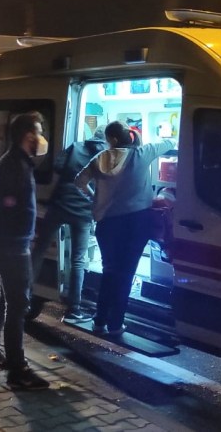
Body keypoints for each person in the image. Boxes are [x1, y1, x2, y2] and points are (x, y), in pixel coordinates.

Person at [74, 120, 175, 336]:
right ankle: (116, 325)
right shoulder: (141, 153)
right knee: (126, 274)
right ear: (127, 135)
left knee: (109, 271)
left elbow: (79, 181)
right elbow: (169, 143)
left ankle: (99, 321)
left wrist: (94, 198)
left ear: (110, 139)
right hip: (136, 223)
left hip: (107, 224)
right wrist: (140, 140)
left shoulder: (99, 158)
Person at [0, 111, 51, 390]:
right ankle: (18, 370)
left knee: (10, 298)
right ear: (28, 135)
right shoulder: (13, 165)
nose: (42, 138)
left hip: (11, 243)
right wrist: (22, 233)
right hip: (11, 246)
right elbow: (6, 205)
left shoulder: (17, 162)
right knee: (19, 306)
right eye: (39, 132)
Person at [31, 128, 108, 324]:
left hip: (60, 204)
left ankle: (24, 292)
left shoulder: (76, 147)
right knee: (78, 260)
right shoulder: (107, 155)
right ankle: (74, 308)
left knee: (39, 250)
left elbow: (57, 166)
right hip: (83, 211)